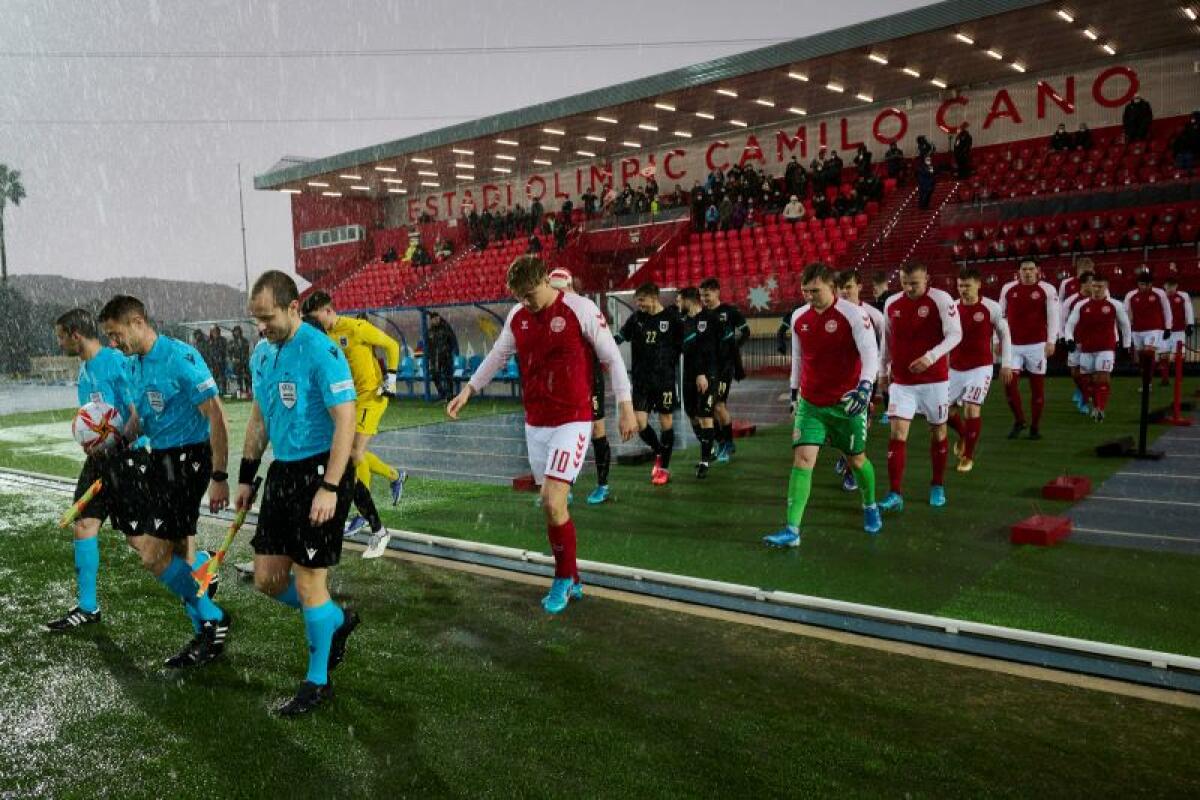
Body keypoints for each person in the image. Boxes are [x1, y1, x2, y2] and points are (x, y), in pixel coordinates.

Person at [448, 256, 636, 614]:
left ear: (546, 282)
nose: (527, 303)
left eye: (531, 295)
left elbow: (611, 357)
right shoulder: (518, 317)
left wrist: (625, 404)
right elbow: (497, 357)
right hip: (535, 422)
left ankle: (563, 579)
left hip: (573, 418)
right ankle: (574, 575)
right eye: (520, 297)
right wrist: (469, 389)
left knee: (552, 501)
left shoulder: (580, 309)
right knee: (554, 505)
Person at [238, 270, 360, 716]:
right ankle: (336, 619)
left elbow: (346, 420)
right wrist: (247, 477)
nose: (261, 327)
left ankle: (317, 680)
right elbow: (259, 421)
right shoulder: (262, 356)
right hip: (283, 475)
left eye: (267, 317)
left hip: (321, 473)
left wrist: (329, 486)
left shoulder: (321, 351)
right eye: (256, 319)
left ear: (293, 308)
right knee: (268, 579)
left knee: (309, 582)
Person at [97, 295, 232, 667]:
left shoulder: (179, 358)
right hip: (160, 460)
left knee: (154, 556)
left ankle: (214, 618)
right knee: (179, 551)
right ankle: (205, 617)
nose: (113, 343)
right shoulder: (136, 364)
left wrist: (220, 476)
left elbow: (217, 416)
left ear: (138, 321)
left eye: (116, 334)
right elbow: (142, 414)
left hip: (188, 460)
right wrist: (120, 439)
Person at [763, 263, 882, 548]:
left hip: (847, 404)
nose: (809, 296)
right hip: (811, 403)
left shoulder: (854, 315)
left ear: (832, 287)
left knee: (856, 460)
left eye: (815, 291)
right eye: (805, 291)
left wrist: (865, 389)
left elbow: (870, 354)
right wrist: (794, 396)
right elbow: (799, 360)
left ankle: (870, 505)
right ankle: (792, 530)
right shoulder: (799, 317)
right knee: (803, 460)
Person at [43, 309, 140, 631]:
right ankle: (88, 607)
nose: (58, 343)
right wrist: (90, 442)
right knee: (83, 523)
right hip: (99, 461)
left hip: (126, 460)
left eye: (60, 336)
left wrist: (116, 443)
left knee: (140, 541)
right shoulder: (85, 370)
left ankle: (199, 567)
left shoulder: (115, 362)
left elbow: (135, 412)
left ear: (75, 334)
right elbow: (93, 419)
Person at [301, 291, 405, 559]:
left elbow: (392, 345)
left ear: (327, 311)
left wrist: (391, 378)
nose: (313, 325)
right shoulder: (321, 338)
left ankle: (367, 517)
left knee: (354, 454)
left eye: (315, 319)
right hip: (348, 403)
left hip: (372, 398)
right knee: (347, 455)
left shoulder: (357, 328)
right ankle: (394, 478)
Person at [878, 263, 962, 511]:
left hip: (934, 381)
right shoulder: (892, 303)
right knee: (897, 433)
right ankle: (895, 493)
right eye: (905, 282)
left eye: (914, 282)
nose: (909, 287)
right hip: (902, 382)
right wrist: (883, 371)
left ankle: (937, 484)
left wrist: (930, 357)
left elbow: (955, 334)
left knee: (938, 432)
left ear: (927, 278)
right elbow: (887, 340)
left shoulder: (941, 299)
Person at [549, 268, 613, 505]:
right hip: (564, 380)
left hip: (589, 378)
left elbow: (604, 345)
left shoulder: (586, 309)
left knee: (597, 430)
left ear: (569, 287)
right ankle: (565, 487)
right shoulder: (551, 313)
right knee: (563, 431)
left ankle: (603, 485)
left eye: (560, 290)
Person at [616, 282, 684, 485]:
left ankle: (663, 468)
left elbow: (681, 346)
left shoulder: (672, 319)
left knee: (666, 423)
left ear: (654, 298)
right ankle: (659, 452)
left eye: (642, 300)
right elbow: (620, 337)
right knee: (640, 424)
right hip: (641, 381)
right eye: (638, 301)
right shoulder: (636, 319)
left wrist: (668, 362)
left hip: (664, 381)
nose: (639, 304)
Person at [946, 267, 1013, 473]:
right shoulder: (952, 308)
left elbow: (1005, 334)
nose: (963, 289)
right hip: (955, 368)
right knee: (944, 411)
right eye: (960, 286)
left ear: (978, 284)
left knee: (971, 408)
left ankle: (968, 456)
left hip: (981, 367)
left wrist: (1006, 363)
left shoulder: (991, 307)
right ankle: (965, 436)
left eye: (967, 285)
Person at [831, 269, 885, 492]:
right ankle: (847, 456)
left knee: (857, 424)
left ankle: (852, 470)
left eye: (849, 286)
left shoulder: (874, 316)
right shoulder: (831, 313)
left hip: (862, 380)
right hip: (836, 380)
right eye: (841, 288)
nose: (845, 292)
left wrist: (879, 374)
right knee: (836, 425)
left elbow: (883, 348)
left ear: (860, 287)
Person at [999, 259, 1059, 440]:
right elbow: (999, 315)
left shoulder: (1047, 289)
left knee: (1037, 388)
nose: (1027, 272)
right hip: (1012, 346)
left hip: (1037, 345)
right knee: (1009, 384)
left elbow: (1053, 316)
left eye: (1031, 269)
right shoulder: (1008, 289)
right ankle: (1019, 420)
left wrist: (1051, 341)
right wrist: (996, 339)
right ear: (1019, 271)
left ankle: (1035, 426)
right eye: (1024, 269)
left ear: (1038, 270)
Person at [1064, 275, 1132, 422]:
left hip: (1106, 348)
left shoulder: (1115, 305)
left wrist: (1127, 345)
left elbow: (1125, 325)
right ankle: (1095, 405)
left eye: (1100, 286)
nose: (1096, 289)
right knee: (1088, 381)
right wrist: (1069, 339)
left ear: (1106, 287)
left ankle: (1100, 409)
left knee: (1102, 377)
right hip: (1086, 348)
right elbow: (1070, 324)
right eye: (1094, 286)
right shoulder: (1081, 305)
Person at [699, 277, 749, 463]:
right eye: (702, 295)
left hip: (724, 368)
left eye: (707, 294)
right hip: (706, 370)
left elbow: (746, 331)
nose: (704, 298)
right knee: (707, 409)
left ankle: (726, 444)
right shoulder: (701, 315)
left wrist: (732, 347)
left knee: (718, 406)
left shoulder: (729, 312)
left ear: (717, 292)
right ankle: (722, 441)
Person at [677, 287, 720, 478]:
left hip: (706, 375)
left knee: (705, 417)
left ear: (689, 300)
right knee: (692, 415)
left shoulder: (710, 319)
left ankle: (704, 461)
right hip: (688, 376)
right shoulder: (684, 321)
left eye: (680, 300)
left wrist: (702, 373)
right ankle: (710, 445)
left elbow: (710, 349)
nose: (678, 304)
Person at [1059, 271, 1096, 414]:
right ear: (1083, 284)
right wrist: (1063, 337)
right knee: (1075, 373)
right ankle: (1085, 394)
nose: (1093, 286)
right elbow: (1062, 321)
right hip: (1075, 341)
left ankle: (1086, 399)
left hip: (1093, 343)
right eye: (1090, 283)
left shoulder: (1098, 300)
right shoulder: (1071, 301)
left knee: (1090, 373)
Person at [1123, 270, 1173, 366]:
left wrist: (1168, 327)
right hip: (1137, 329)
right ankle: (1147, 378)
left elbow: (1167, 310)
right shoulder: (1130, 295)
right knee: (1142, 357)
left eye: (1147, 285)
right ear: (1138, 284)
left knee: (1148, 353)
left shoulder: (1160, 293)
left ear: (1151, 284)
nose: (1144, 287)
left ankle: (1147, 380)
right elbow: (1124, 312)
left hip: (1154, 329)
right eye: (1142, 284)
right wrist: (1126, 329)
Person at [1160, 275, 1195, 385]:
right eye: (1168, 286)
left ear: (1176, 286)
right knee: (1163, 355)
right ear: (1164, 286)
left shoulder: (1183, 296)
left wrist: (1190, 325)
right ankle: (1165, 379)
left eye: (1172, 286)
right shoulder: (1160, 297)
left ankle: (1179, 378)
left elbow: (1188, 310)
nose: (1170, 288)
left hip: (1179, 331)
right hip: (1163, 331)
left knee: (1179, 355)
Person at [426, 311, 459, 401]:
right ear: (431, 320)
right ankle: (442, 393)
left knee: (448, 376)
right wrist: (429, 356)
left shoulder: (445, 328)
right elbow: (428, 345)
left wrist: (453, 351)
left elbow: (452, 339)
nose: (436, 320)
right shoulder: (430, 331)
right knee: (434, 375)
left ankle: (450, 395)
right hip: (435, 358)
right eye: (434, 319)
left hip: (446, 356)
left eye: (437, 318)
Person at [229, 325, 251, 397]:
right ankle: (240, 394)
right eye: (235, 331)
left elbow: (247, 351)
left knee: (246, 378)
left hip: (244, 363)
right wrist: (233, 359)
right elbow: (229, 353)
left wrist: (245, 359)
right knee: (238, 379)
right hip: (237, 364)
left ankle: (248, 393)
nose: (236, 332)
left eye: (238, 330)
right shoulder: (231, 342)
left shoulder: (245, 340)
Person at [208, 326, 228, 396]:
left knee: (223, 377)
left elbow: (225, 350)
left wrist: (221, 357)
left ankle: (224, 391)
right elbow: (209, 352)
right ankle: (216, 393)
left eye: (216, 331)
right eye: (213, 331)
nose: (214, 333)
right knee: (214, 378)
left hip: (221, 362)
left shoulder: (223, 340)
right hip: (213, 363)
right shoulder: (210, 341)